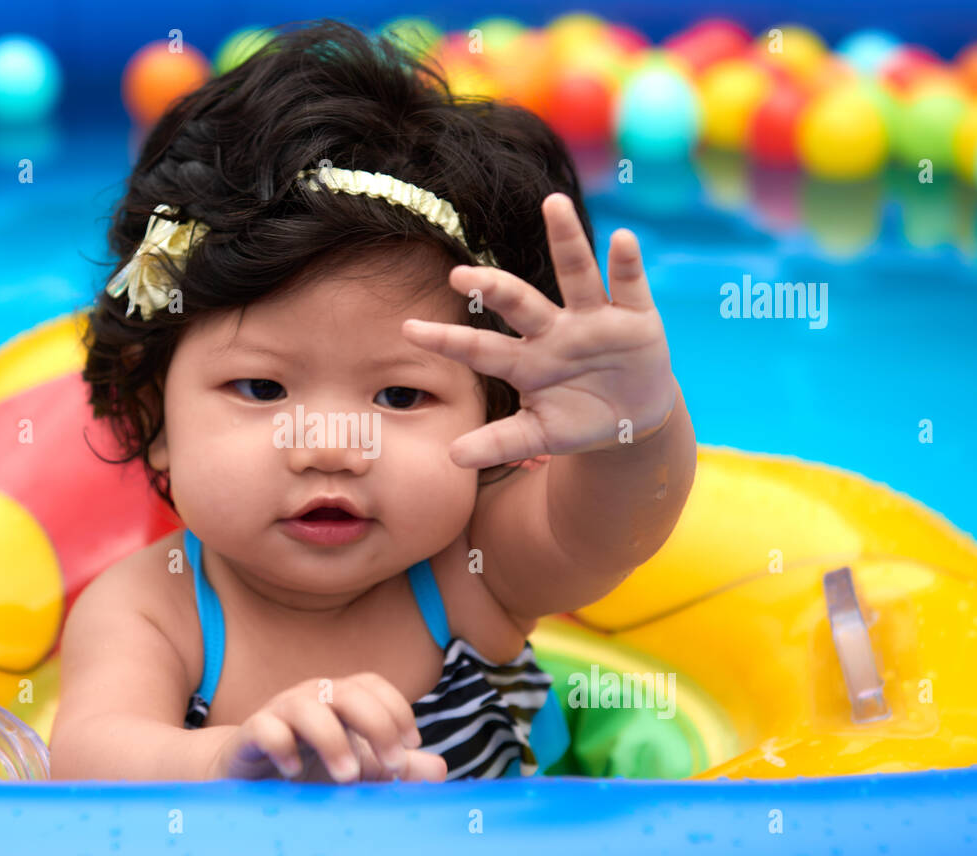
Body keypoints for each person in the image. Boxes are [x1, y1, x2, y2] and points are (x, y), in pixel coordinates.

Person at [49, 19, 696, 783]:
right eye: (262, 388)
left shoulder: (473, 568)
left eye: (400, 394)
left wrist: (632, 424)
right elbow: (92, 755)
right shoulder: (155, 610)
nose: (331, 444)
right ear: (155, 416)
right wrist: (229, 757)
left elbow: (611, 528)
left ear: (491, 417)